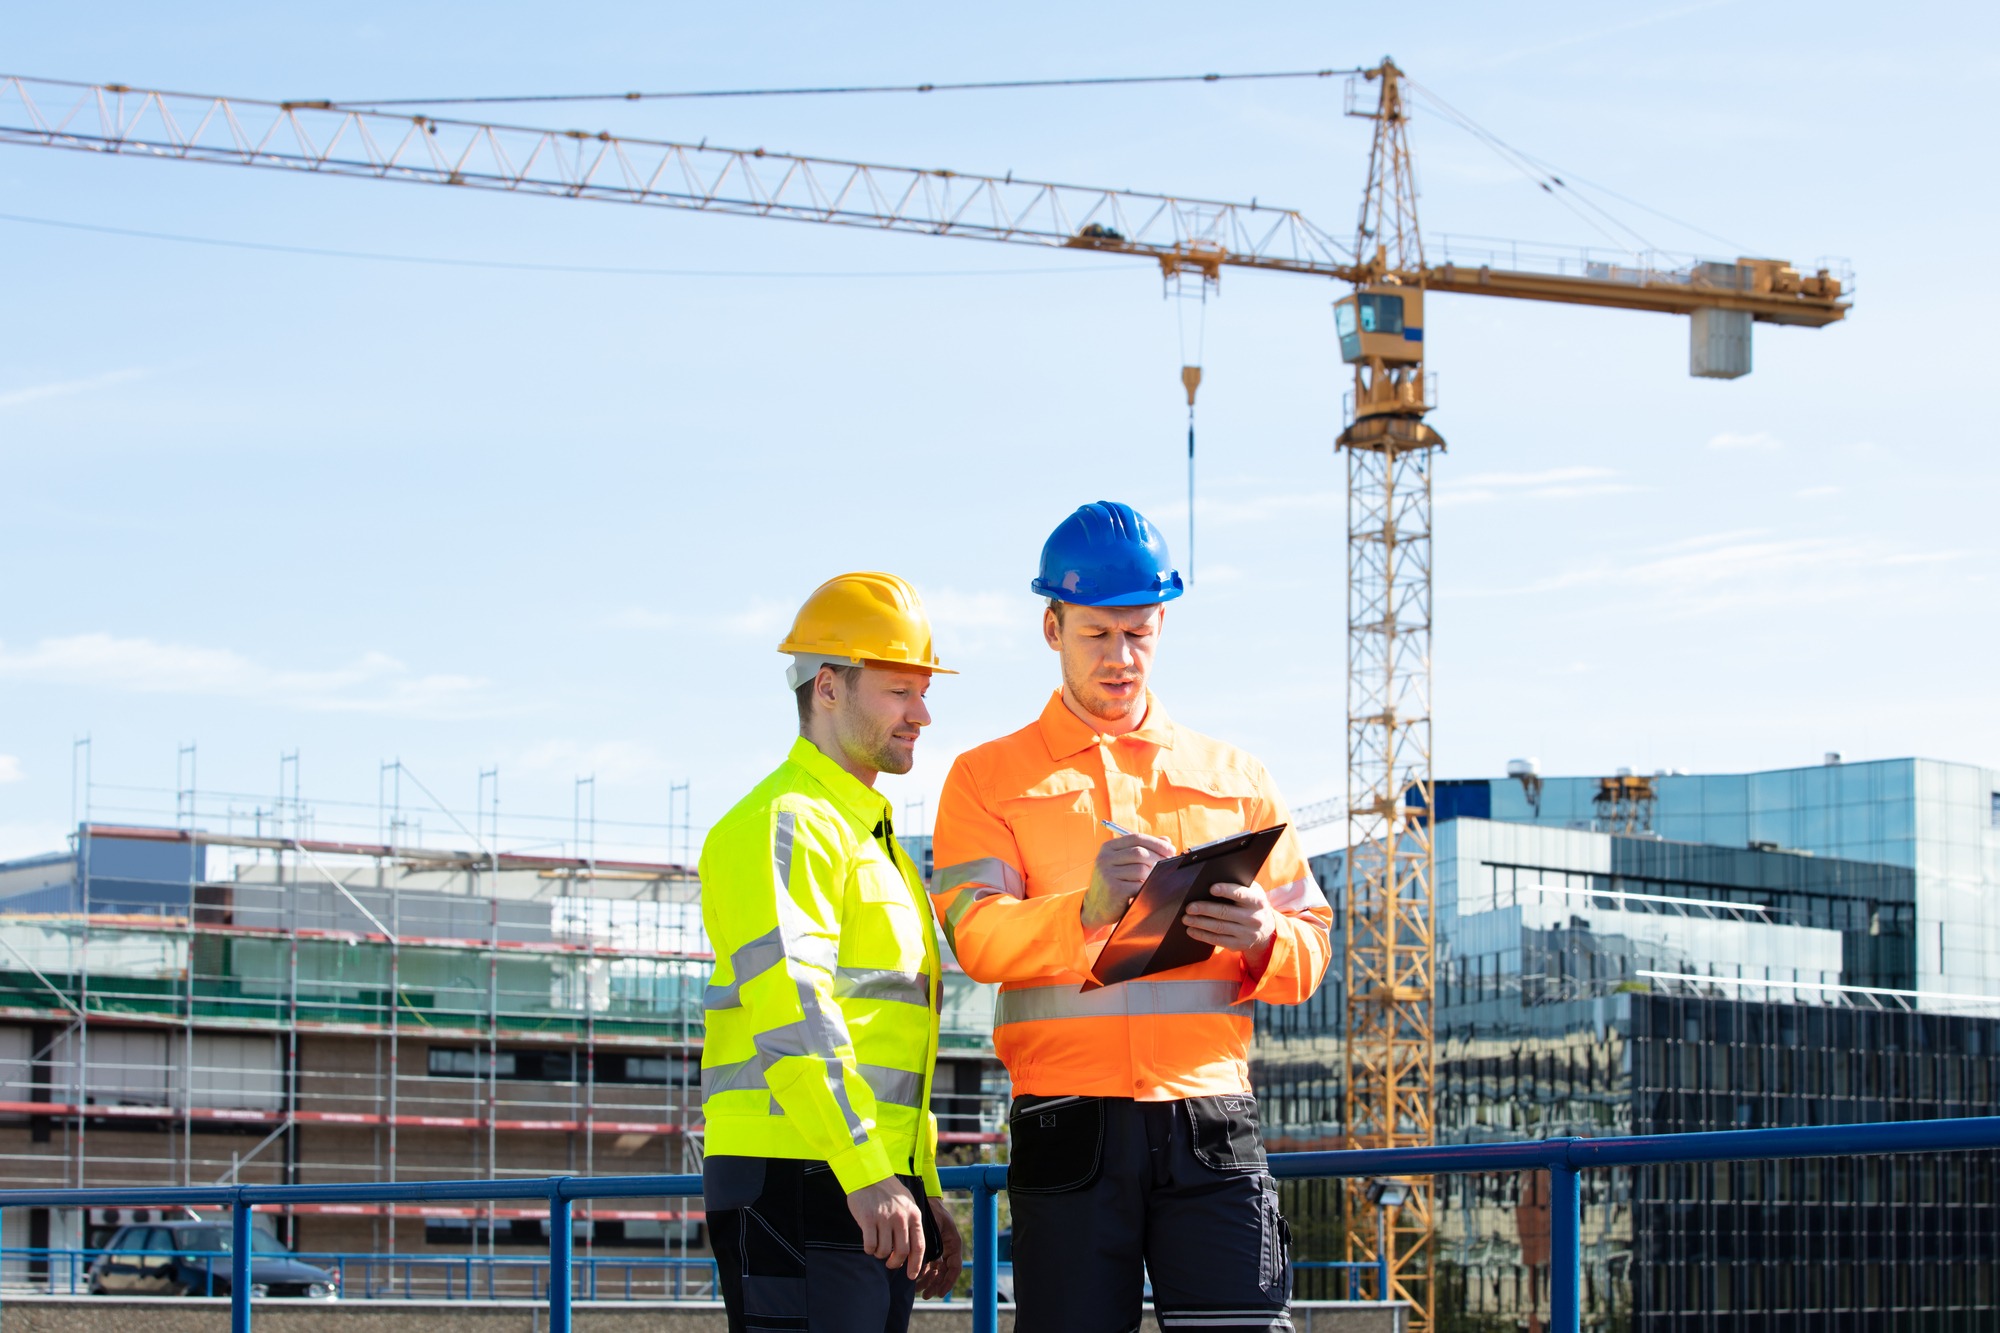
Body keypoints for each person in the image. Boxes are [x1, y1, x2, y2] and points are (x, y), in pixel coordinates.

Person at [931, 502, 1332, 1333]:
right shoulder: (985, 778)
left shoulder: (1237, 777)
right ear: (1052, 627)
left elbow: (1313, 945)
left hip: (1210, 1115)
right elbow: (976, 936)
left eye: (1139, 634)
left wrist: (1265, 936)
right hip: (1067, 1119)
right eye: (1097, 635)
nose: (1121, 657)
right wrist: (1082, 911)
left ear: (1161, 626)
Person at [698, 571, 963, 1333]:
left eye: (923, 691)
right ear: (827, 688)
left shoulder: (875, 842)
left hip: (861, 1176)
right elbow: (795, 1009)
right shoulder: (783, 822)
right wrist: (867, 1169)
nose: (922, 714)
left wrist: (921, 1182)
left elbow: (891, 1041)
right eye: (899, 691)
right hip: (799, 1172)